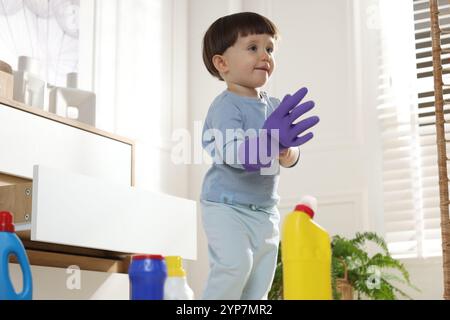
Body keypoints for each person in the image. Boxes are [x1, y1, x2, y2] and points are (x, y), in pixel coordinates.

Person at [200, 12, 320, 300]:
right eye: (253, 47)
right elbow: (232, 152)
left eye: (269, 48)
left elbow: (289, 156)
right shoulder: (225, 107)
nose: (265, 55)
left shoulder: (275, 106)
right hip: (225, 207)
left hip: (265, 211)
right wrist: (268, 140)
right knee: (234, 267)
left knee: (259, 284)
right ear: (222, 63)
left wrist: (287, 150)